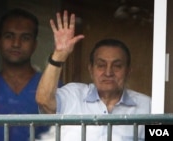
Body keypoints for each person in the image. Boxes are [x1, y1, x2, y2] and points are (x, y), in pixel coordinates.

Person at [36, 10, 151, 141]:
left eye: (117, 66)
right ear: (91, 69)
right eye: (101, 65)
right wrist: (59, 55)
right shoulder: (73, 95)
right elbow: (43, 100)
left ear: (128, 71)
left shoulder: (147, 106)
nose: (108, 72)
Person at [0, 8, 61, 141]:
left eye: (25, 37)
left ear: (35, 44)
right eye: (9, 36)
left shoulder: (53, 88)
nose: (16, 44)